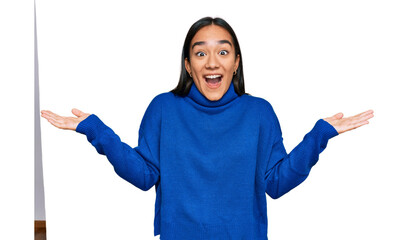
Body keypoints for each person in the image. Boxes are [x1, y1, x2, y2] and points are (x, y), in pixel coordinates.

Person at [41, 17, 374, 240]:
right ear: (188, 64)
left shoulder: (258, 113)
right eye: (200, 53)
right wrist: (95, 130)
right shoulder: (164, 108)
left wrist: (319, 136)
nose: (212, 62)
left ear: (236, 62)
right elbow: (144, 176)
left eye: (223, 52)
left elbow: (275, 183)